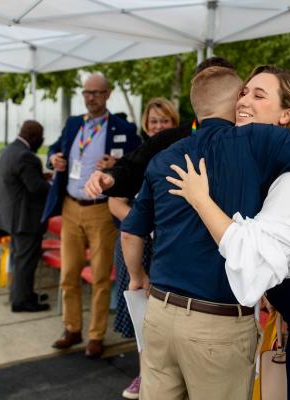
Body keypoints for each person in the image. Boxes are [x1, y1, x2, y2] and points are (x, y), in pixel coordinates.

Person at [120, 65, 290, 400]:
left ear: (287, 114)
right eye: (243, 91)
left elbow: (253, 259)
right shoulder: (253, 153)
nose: (244, 100)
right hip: (272, 314)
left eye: (257, 94)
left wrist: (200, 199)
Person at [42, 73, 141, 359]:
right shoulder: (74, 123)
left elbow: (139, 160)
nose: (91, 97)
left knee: (99, 276)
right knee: (69, 273)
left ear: (108, 94)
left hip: (101, 209)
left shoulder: (123, 127)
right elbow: (54, 147)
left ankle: (96, 335)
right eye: (87, 93)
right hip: (71, 207)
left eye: (97, 93)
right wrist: (53, 158)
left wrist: (117, 163)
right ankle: (72, 328)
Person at [84, 57, 237, 200]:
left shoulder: (251, 137)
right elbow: (133, 167)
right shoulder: (169, 139)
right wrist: (110, 178)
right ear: (194, 92)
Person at [109, 97, 179, 399]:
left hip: (170, 246)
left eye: (164, 121)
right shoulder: (135, 159)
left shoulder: (183, 154)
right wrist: (144, 224)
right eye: (154, 122)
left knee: (168, 317)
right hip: (138, 245)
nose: (159, 126)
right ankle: (143, 374)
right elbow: (114, 201)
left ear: (173, 124)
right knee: (141, 314)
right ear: (146, 126)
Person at [0, 120, 50, 313]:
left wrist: (41, 177)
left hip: (11, 216)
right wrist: (53, 187)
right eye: (41, 139)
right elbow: (35, 188)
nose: (41, 142)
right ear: (34, 137)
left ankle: (22, 294)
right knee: (26, 261)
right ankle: (21, 302)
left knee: (20, 259)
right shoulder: (27, 156)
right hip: (25, 219)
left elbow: (22, 180)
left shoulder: (9, 150)